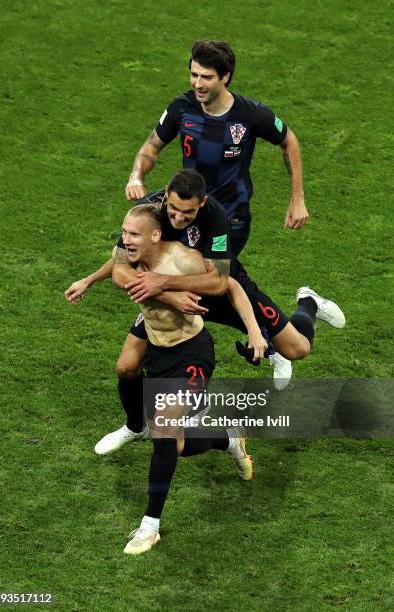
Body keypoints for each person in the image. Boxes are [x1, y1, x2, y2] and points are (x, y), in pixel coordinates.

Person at [65, 170, 345, 455]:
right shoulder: (150, 211)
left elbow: (221, 282)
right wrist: (99, 281)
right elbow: (122, 265)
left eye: (187, 212)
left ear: (202, 203)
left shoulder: (216, 217)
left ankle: (309, 302)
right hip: (175, 302)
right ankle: (136, 427)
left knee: (297, 349)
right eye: (173, 208)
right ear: (166, 196)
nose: (177, 217)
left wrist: (166, 283)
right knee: (126, 366)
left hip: (221, 293)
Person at [117, 203, 263, 554]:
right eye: (124, 232)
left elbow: (229, 285)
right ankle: (227, 438)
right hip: (158, 351)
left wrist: (255, 331)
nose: (125, 240)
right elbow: (118, 270)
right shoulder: (129, 254)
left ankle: (150, 526)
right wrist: (89, 281)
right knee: (175, 444)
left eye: (133, 234)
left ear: (155, 236)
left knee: (165, 431)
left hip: (192, 354)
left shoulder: (182, 259)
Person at [125, 39, 308, 258]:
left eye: (207, 77)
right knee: (157, 270)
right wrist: (136, 176)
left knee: (205, 281)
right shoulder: (182, 107)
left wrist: (297, 199)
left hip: (231, 218)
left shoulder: (250, 114)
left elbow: (289, 141)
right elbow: (152, 146)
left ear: (225, 77)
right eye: (194, 75)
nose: (198, 84)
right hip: (188, 213)